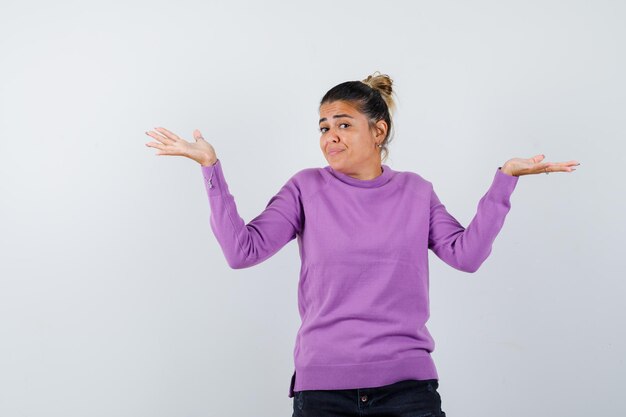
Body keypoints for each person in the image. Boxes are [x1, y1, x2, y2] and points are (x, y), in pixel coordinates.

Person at [144, 72, 580, 417]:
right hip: (322, 393)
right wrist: (210, 168)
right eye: (323, 126)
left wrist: (504, 180)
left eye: (344, 124)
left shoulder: (416, 191)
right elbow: (243, 252)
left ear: (378, 131)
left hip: (408, 391)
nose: (330, 136)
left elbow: (465, 256)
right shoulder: (305, 188)